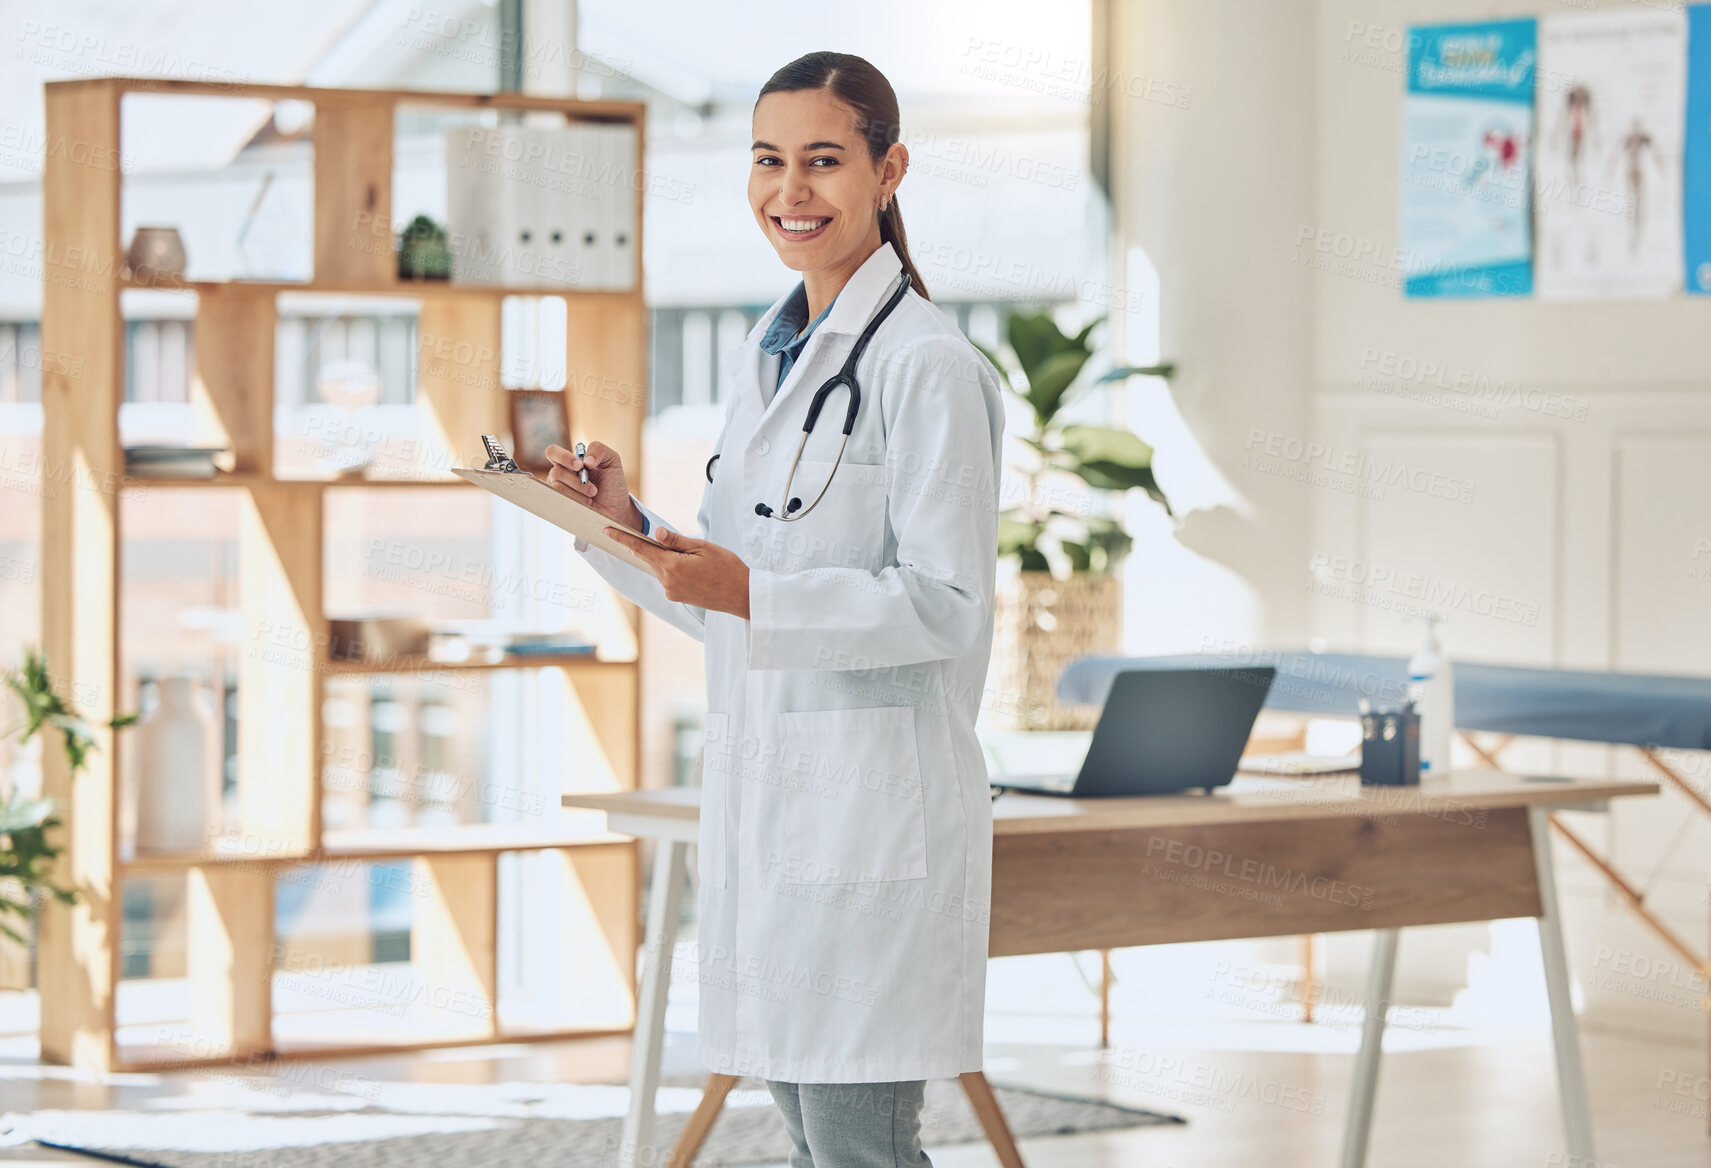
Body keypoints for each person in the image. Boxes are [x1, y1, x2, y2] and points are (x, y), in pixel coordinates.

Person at [543, 50, 1004, 1168]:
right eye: (767, 161)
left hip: (870, 821)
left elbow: (946, 605)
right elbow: (731, 599)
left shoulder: (926, 365)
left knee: (856, 1146)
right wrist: (625, 525)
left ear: (888, 171)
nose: (789, 192)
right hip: (777, 816)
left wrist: (752, 590)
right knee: (812, 1137)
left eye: (822, 162)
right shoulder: (771, 356)